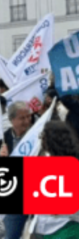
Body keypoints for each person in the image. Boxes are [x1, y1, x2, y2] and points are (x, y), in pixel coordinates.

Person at [33, 121, 79, 238]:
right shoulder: (42, 161)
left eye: (44, 138)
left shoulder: (75, 163)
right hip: (44, 228)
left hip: (68, 227)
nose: (42, 142)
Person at [1, 102, 33, 239]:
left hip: (35, 192)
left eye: (28, 116)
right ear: (12, 120)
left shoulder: (37, 135)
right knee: (12, 235)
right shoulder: (4, 138)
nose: (27, 121)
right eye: (22, 118)